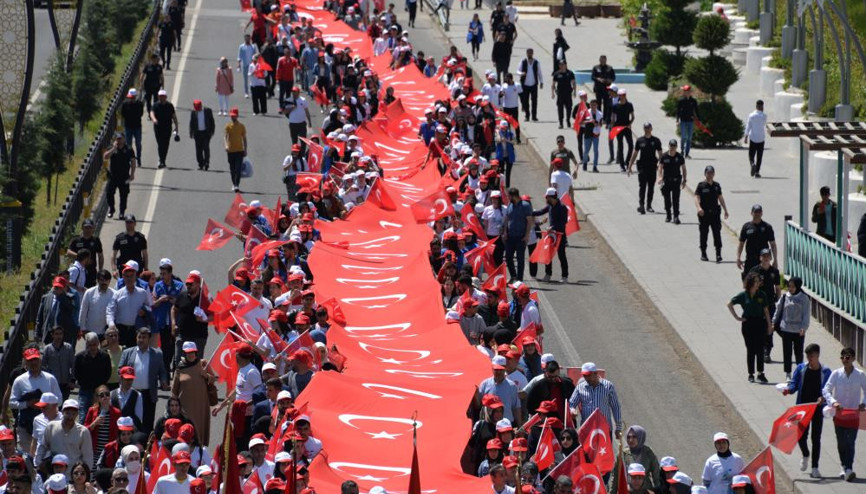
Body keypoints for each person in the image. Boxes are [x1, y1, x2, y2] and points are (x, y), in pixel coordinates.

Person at [783, 343, 831, 479]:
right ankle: (805, 454)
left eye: (812, 356)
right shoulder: (801, 368)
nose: (810, 358)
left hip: (817, 409)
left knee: (816, 438)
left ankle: (815, 467)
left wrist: (823, 398)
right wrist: (788, 390)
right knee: (800, 436)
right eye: (808, 356)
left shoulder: (826, 371)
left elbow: (828, 390)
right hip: (802, 409)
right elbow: (794, 384)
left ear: (818, 355)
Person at [821, 347, 866, 481]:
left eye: (847, 357)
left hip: (853, 414)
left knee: (850, 442)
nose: (844, 360)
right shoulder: (836, 374)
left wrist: (864, 403)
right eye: (842, 357)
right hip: (839, 414)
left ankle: (849, 468)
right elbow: (826, 390)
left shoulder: (860, 374)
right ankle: (843, 465)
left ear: (853, 359)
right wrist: (833, 402)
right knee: (841, 442)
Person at [10, 347, 62, 452]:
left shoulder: (50, 379)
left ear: (40, 360)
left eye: (35, 360)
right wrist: (28, 404)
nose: (33, 363)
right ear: (25, 362)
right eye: (30, 360)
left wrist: (47, 405)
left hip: (47, 424)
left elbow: (59, 399)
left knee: (47, 457)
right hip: (26, 425)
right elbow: (12, 403)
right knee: (28, 457)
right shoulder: (19, 381)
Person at [118, 328, 169, 434]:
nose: (141, 340)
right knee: (130, 422)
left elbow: (162, 371)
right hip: (131, 393)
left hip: (148, 395)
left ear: (149, 339)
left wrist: (164, 381)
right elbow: (120, 370)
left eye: (144, 337)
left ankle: (145, 447)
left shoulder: (157, 354)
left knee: (147, 424)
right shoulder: (127, 352)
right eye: (139, 337)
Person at [727, 272, 772, 383]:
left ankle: (761, 373)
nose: (757, 284)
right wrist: (737, 317)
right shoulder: (744, 295)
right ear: (750, 282)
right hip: (748, 323)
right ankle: (751, 373)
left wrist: (769, 326)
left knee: (760, 348)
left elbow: (766, 311)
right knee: (750, 349)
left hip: (760, 323)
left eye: (758, 281)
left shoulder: (762, 294)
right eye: (755, 281)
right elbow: (729, 304)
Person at [171, 342, 213, 446]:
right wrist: (173, 407)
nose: (191, 355)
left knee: (199, 431)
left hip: (200, 406)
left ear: (196, 352)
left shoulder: (203, 364)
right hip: (185, 407)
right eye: (188, 353)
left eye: (193, 352)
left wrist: (207, 375)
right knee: (186, 430)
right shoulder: (180, 367)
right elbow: (174, 390)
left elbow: (213, 380)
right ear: (184, 353)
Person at [568, 362, 623, 439]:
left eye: (589, 375)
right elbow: (571, 404)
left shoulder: (608, 386)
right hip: (587, 430)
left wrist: (618, 428)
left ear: (596, 373)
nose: (587, 378)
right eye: (584, 376)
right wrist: (572, 410)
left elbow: (615, 406)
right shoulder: (580, 387)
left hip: (604, 429)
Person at [37, 400, 93, 470]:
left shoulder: (83, 432)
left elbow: (88, 456)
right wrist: (38, 463)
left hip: (73, 474)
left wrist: (86, 474)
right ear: (62, 412)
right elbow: (42, 446)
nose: (70, 417)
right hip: (54, 472)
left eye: (73, 414)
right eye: (67, 413)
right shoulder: (51, 427)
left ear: (77, 414)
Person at [106, 262, 151, 347]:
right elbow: (110, 311)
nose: (129, 279)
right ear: (123, 277)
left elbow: (150, 308)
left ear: (135, 277)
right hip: (121, 330)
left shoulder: (142, 293)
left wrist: (145, 312)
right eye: (127, 276)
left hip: (137, 330)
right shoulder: (117, 294)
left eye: (131, 276)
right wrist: (111, 324)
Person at [750, 249, 781, 364]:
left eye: (768, 256)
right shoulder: (755, 271)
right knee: (758, 327)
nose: (766, 258)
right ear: (760, 258)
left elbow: (777, 288)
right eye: (764, 256)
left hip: (770, 304)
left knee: (769, 327)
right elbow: (749, 288)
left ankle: (767, 351)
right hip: (758, 304)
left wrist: (779, 302)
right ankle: (759, 348)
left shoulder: (774, 271)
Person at [73, 333, 112, 418]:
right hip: (85, 390)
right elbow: (76, 373)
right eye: (90, 345)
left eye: (94, 344)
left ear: (98, 343)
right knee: (83, 417)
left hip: (100, 392)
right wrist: (83, 382)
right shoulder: (79, 357)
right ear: (86, 344)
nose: (92, 347)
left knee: (100, 417)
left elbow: (108, 373)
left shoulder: (104, 356)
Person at [611, 426, 661, 493]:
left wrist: (658, 490)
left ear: (640, 437)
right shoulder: (622, 454)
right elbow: (615, 477)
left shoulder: (648, 453)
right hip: (628, 491)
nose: (631, 440)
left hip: (645, 491)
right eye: (629, 437)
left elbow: (656, 474)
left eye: (634, 437)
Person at [694, 166, 729, 263]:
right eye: (708, 173)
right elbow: (696, 197)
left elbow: (720, 198)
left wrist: (725, 210)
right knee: (704, 233)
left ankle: (718, 254)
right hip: (704, 214)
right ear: (705, 174)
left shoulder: (716, 186)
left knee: (717, 234)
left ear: (714, 174)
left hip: (715, 214)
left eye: (711, 173)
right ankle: (703, 253)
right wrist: (698, 208)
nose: (710, 175)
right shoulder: (701, 185)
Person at [626, 122, 662, 215]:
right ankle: (641, 205)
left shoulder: (656, 140)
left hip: (652, 166)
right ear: (643, 129)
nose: (647, 129)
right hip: (642, 166)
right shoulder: (640, 140)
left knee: (651, 187)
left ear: (651, 128)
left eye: (648, 127)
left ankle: (649, 205)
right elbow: (635, 153)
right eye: (645, 127)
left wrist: (661, 167)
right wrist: (630, 165)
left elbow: (660, 155)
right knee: (642, 186)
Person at [534, 188, 569, 283]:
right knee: (547, 254)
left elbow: (564, 222)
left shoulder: (562, 207)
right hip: (551, 235)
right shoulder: (549, 206)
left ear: (551, 197)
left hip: (560, 235)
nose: (546, 199)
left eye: (547, 197)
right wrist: (528, 213)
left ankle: (564, 276)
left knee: (561, 255)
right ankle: (548, 274)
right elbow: (541, 212)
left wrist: (553, 227)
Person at [83, 388, 121, 469]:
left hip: (108, 451)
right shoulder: (92, 410)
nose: (105, 397)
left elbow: (119, 432)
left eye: (107, 394)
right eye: (101, 395)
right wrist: (94, 423)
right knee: (93, 474)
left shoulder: (116, 412)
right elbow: (84, 430)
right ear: (97, 398)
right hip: (95, 450)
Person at [478, 356, 521, 424]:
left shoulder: (512, 386)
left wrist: (519, 425)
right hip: (489, 425)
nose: (498, 372)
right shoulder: (484, 384)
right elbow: (479, 405)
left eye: (501, 370)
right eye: (496, 370)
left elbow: (516, 407)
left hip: (507, 426)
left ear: (505, 369)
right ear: (492, 369)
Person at [736, 204, 777, 276]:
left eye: (759, 212)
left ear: (762, 213)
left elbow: (773, 244)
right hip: (750, 259)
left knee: (764, 283)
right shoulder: (746, 226)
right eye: (755, 212)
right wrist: (738, 258)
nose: (757, 214)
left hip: (763, 260)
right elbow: (741, 244)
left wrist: (775, 260)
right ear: (751, 213)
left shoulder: (767, 227)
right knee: (749, 284)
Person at [103, 133, 136, 220]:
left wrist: (132, 174)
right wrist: (113, 149)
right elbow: (105, 156)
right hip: (113, 176)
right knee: (109, 193)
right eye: (117, 139)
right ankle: (111, 209)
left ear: (124, 139)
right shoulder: (112, 147)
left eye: (120, 138)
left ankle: (122, 212)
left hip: (124, 176)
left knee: (124, 195)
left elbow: (133, 161)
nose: (119, 140)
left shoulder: (129, 149)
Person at [504, 188, 533, 282]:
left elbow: (529, 221)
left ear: (514, 196)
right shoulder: (510, 205)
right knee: (508, 257)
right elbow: (507, 219)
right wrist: (505, 232)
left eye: (509, 196)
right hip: (510, 236)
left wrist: (527, 235)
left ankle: (519, 280)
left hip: (521, 237)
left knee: (520, 259)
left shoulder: (526, 205)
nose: (508, 198)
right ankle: (513, 276)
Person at [657, 138, 687, 224]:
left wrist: (684, 180)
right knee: (667, 199)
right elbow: (660, 167)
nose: (672, 147)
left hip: (676, 181)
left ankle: (676, 217)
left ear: (676, 147)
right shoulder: (664, 156)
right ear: (669, 146)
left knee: (676, 200)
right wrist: (660, 177)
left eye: (674, 146)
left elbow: (684, 169)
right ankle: (668, 215)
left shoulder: (679, 157)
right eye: (671, 146)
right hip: (666, 181)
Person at [42, 327, 75, 400]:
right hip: (53, 383)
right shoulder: (47, 349)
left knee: (64, 404)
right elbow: (43, 365)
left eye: (60, 334)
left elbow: (73, 365)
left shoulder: (68, 347)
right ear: (52, 335)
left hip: (66, 383)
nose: (59, 336)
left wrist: (72, 380)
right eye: (56, 334)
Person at [79, 270, 114, 338]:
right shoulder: (89, 293)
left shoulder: (114, 294)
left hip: (107, 332)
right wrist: (82, 328)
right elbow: (83, 311)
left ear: (109, 281)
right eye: (102, 280)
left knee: (106, 349)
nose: (104, 282)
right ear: (97, 280)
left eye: (106, 280)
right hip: (90, 331)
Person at [150, 90, 179, 169]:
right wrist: (154, 119)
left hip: (167, 128)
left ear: (165, 97)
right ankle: (161, 160)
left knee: (166, 144)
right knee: (160, 143)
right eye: (160, 96)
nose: (161, 98)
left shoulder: (170, 106)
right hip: (158, 127)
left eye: (163, 96)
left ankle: (163, 160)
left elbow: (174, 116)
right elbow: (151, 113)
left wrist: (176, 127)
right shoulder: (155, 105)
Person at [224, 107, 247, 193]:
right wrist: (226, 145)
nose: (232, 117)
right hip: (230, 151)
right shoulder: (228, 126)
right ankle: (234, 183)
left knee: (238, 168)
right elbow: (225, 136)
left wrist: (245, 149)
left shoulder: (241, 126)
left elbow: (244, 138)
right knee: (232, 169)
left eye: (234, 116)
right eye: (231, 116)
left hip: (239, 150)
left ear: (237, 116)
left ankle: (237, 184)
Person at [189, 100, 215, 171]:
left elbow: (212, 121)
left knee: (206, 148)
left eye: (198, 108)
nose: (197, 110)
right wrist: (191, 133)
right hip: (197, 134)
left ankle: (207, 163)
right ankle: (201, 164)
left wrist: (212, 131)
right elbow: (191, 123)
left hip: (206, 133)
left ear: (201, 106)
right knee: (198, 150)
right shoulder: (193, 112)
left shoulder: (207, 111)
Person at [613, 88, 635, 171]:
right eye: (620, 95)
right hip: (618, 128)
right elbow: (613, 118)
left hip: (627, 127)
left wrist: (629, 124)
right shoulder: (615, 106)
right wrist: (613, 127)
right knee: (620, 146)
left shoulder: (629, 105)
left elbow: (632, 117)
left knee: (631, 145)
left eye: (623, 95)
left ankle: (627, 162)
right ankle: (622, 165)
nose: (622, 96)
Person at [517, 49, 542, 122]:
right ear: (526, 53)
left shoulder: (536, 62)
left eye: (531, 53)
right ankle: (527, 116)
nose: (530, 54)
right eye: (528, 53)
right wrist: (522, 73)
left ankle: (534, 116)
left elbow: (539, 72)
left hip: (534, 84)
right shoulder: (523, 61)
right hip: (525, 84)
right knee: (525, 101)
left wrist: (541, 82)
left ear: (533, 53)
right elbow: (518, 71)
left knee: (534, 101)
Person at [120, 89, 144, 163]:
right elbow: (122, 114)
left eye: (133, 97)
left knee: (138, 143)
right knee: (129, 144)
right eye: (130, 98)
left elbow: (141, 114)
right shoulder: (125, 104)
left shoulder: (139, 104)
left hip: (137, 127)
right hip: (128, 127)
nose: (131, 99)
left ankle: (139, 157)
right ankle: (130, 158)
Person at [551, 60, 575, 129]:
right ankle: (561, 123)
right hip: (560, 94)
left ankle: (568, 120)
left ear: (565, 65)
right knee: (560, 108)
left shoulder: (570, 73)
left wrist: (574, 91)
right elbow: (553, 84)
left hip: (568, 94)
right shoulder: (557, 74)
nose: (561, 66)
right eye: (560, 64)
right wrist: (552, 93)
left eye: (563, 64)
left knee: (569, 108)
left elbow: (573, 82)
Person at [675, 85, 697, 159]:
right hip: (683, 121)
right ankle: (682, 151)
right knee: (683, 137)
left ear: (690, 92)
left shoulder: (693, 101)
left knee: (689, 138)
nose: (686, 93)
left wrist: (698, 120)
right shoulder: (681, 101)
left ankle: (687, 153)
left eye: (688, 91)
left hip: (690, 121)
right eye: (685, 91)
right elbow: (678, 111)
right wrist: (677, 120)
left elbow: (696, 111)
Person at [590, 56, 615, 120]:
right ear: (599, 60)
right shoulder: (596, 68)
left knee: (606, 103)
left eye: (604, 60)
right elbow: (592, 77)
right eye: (601, 60)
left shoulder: (609, 68)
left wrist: (610, 80)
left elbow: (613, 77)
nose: (603, 61)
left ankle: (605, 118)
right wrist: (598, 79)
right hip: (598, 88)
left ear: (606, 60)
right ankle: (599, 117)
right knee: (598, 103)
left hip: (607, 89)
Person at [237, 34, 258, 98]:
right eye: (246, 38)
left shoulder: (253, 46)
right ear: (244, 39)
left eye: (248, 38)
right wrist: (239, 65)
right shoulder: (241, 46)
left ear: (250, 39)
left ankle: (253, 92)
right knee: (245, 79)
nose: (247, 39)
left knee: (253, 79)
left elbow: (255, 55)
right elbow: (239, 56)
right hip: (245, 65)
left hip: (252, 65)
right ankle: (246, 93)